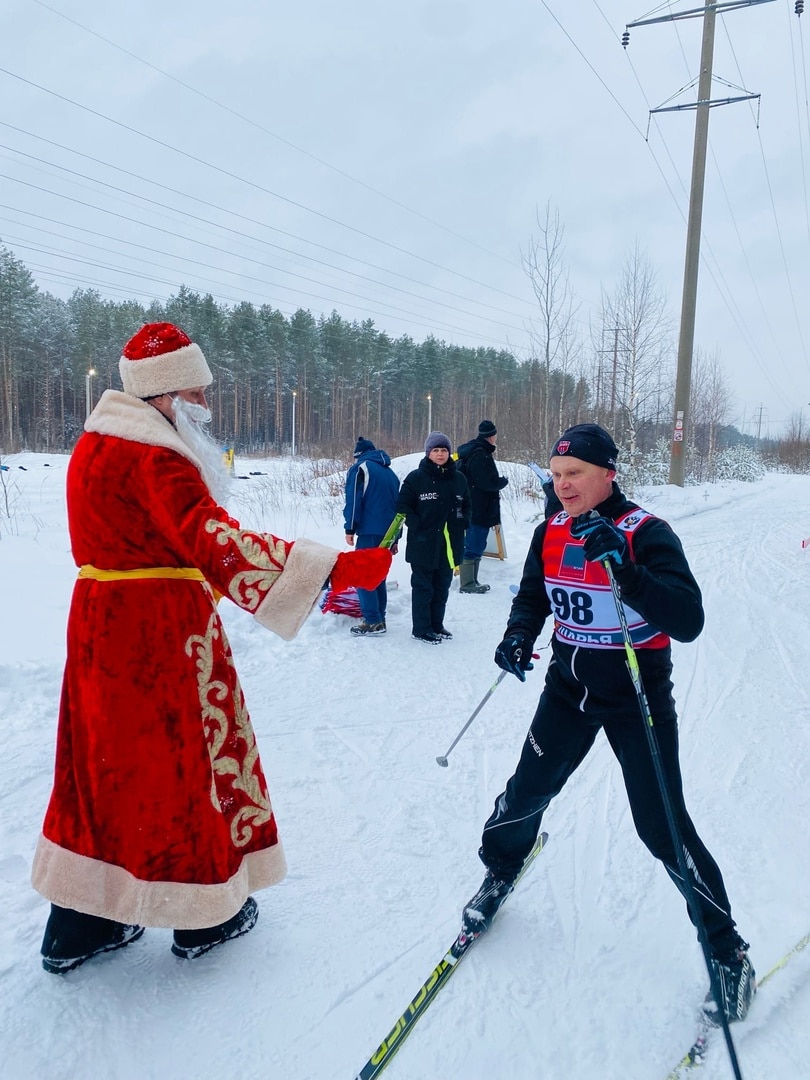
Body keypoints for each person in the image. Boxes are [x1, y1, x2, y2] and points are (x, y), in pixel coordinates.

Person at [31, 322, 391, 974]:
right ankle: (206, 916)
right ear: (167, 393)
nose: (207, 403)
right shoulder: (158, 456)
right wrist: (332, 569)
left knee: (101, 770)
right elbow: (213, 542)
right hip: (158, 634)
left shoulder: (93, 444)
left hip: (96, 628)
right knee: (185, 767)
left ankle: (79, 924)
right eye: (198, 390)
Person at [460, 422, 755, 1025]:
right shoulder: (550, 529)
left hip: (635, 696)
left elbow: (688, 619)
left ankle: (728, 953)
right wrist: (518, 635)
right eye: (557, 474)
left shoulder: (646, 533)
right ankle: (502, 869)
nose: (563, 485)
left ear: (607, 475)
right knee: (524, 794)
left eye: (575, 474)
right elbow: (534, 597)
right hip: (568, 690)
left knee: (661, 827)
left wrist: (626, 569)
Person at [395, 431, 470, 644]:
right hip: (423, 545)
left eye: (444, 450)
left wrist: (464, 521)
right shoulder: (416, 478)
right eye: (435, 450)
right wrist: (416, 523)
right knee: (423, 589)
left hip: (449, 545)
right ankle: (421, 629)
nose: (440, 454)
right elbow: (402, 506)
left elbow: (467, 505)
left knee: (441, 588)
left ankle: (437, 625)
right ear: (428, 453)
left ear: (449, 453)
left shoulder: (459, 478)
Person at [343, 437, 401, 637]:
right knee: (378, 575)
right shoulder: (390, 473)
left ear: (358, 455)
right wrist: (396, 537)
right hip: (388, 532)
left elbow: (353, 501)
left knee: (362, 574)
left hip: (368, 530)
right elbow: (399, 507)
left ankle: (372, 620)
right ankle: (380, 617)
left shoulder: (360, 468)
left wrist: (349, 528)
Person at [455, 419, 508, 593]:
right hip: (478, 508)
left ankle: (472, 581)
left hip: (474, 506)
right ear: (491, 436)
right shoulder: (480, 454)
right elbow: (486, 482)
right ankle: (467, 583)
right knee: (474, 544)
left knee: (476, 543)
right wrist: (501, 482)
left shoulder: (473, 451)